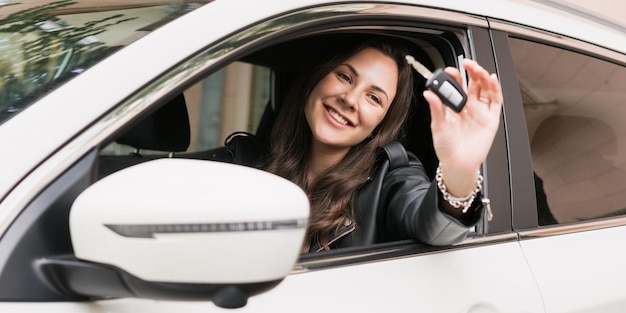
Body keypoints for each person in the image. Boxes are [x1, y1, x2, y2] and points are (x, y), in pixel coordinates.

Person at [223, 39, 503, 253]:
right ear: (315, 78)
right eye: (345, 76)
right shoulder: (244, 162)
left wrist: (460, 170)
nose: (351, 99)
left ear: (382, 124)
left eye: (374, 98)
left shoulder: (391, 180)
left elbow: (434, 228)